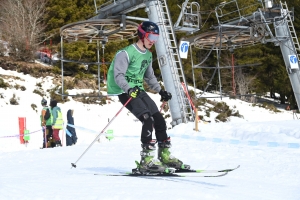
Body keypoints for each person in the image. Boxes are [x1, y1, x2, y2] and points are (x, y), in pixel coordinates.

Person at [107, 21, 189, 174]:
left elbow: (149, 77)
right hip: (125, 91)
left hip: (139, 90)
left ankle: (164, 156)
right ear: (142, 35)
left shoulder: (149, 55)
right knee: (147, 118)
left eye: (156, 37)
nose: (153, 40)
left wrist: (160, 91)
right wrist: (128, 88)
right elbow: (118, 75)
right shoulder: (125, 53)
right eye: (151, 36)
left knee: (159, 119)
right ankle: (146, 160)